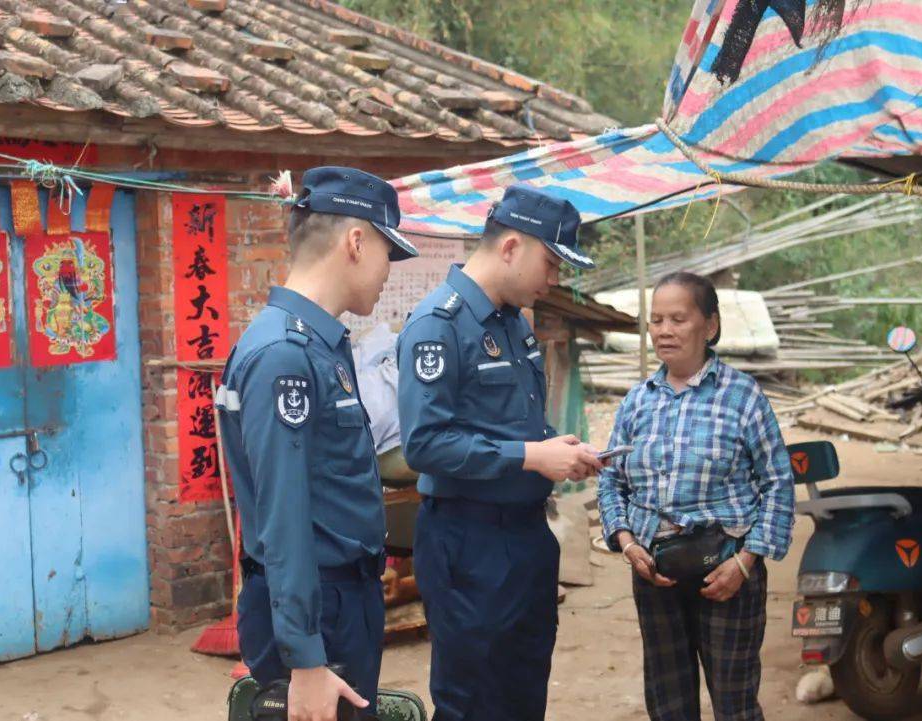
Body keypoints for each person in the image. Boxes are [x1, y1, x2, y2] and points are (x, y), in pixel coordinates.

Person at [216, 167, 419, 721]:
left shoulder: (319, 345)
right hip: (316, 612)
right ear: (356, 242)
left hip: (336, 600)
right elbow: (283, 516)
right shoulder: (285, 354)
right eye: (387, 254)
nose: (388, 272)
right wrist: (305, 658)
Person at [396, 185, 605, 721]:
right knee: (472, 702)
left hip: (527, 535)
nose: (553, 279)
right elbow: (425, 443)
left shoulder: (513, 322)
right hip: (469, 541)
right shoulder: (438, 325)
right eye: (550, 264)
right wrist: (530, 457)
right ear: (511, 247)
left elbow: (515, 424)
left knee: (522, 694)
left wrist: (559, 447)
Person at [597, 271, 795, 721]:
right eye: (656, 320)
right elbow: (611, 480)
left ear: (710, 325)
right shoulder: (637, 402)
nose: (664, 331)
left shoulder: (743, 397)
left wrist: (745, 562)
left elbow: (778, 483)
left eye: (678, 319)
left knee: (735, 703)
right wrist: (627, 543)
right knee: (668, 702)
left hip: (727, 570)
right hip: (655, 574)